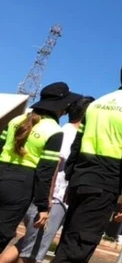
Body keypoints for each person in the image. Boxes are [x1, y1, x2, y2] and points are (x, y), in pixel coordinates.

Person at [53, 58, 122, 263]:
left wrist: (72, 177)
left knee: (69, 241)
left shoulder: (96, 104)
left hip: (79, 180)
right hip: (104, 183)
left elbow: (77, 145)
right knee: (79, 248)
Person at [0, 96, 94, 263]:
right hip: (53, 199)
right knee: (33, 252)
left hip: (37, 193)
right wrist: (47, 203)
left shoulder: (60, 130)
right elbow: (52, 168)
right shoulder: (67, 134)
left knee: (27, 244)